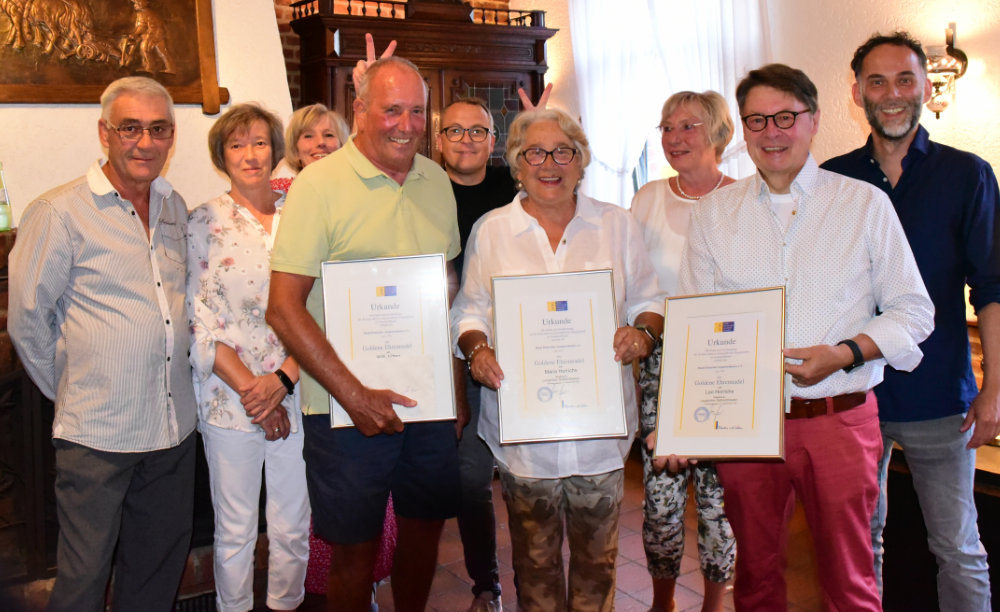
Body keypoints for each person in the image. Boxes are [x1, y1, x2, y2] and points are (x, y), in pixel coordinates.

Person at [676, 63, 935, 611]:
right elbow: (696, 322)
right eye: (757, 120)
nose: (771, 132)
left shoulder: (864, 204)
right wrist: (684, 419)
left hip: (839, 420)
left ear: (813, 120)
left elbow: (915, 311)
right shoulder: (714, 214)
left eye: (785, 117)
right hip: (747, 428)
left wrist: (844, 354)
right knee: (756, 579)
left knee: (850, 582)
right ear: (743, 129)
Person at [266, 56, 462, 612]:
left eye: (417, 111)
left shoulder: (436, 181)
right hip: (342, 407)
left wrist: (453, 391)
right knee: (355, 549)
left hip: (426, 401)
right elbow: (283, 309)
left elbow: (444, 289)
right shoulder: (317, 186)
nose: (406, 125)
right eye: (391, 110)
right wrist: (354, 396)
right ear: (359, 110)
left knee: (424, 529)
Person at [451, 107, 664, 611]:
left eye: (563, 151)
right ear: (516, 164)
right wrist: (477, 351)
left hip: (599, 435)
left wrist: (642, 335)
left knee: (597, 565)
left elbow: (649, 300)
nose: (550, 164)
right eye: (535, 153)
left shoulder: (616, 225)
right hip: (525, 439)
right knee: (534, 566)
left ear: (581, 160)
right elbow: (469, 310)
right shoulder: (492, 230)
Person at [822, 31, 998, 611]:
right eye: (877, 81)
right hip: (852, 395)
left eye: (904, 79)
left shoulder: (967, 175)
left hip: (940, 397)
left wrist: (995, 390)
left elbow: (992, 288)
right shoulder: (831, 180)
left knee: (958, 548)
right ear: (857, 93)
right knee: (859, 547)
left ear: (925, 86)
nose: (892, 93)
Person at [8, 76, 196, 612]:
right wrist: (77, 390)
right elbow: (27, 321)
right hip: (97, 437)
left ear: (172, 135)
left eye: (158, 129)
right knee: (83, 581)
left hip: (172, 429)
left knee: (156, 573)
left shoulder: (174, 206)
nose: (145, 142)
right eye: (130, 128)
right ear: (104, 133)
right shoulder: (58, 212)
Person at [187, 103, 310, 612]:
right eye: (237, 145)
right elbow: (199, 319)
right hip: (230, 399)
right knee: (235, 529)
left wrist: (281, 381)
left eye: (259, 142)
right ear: (222, 156)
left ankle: (286, 604)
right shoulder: (202, 221)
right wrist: (256, 394)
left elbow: (320, 307)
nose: (250, 154)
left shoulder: (301, 216)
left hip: (299, 390)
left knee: (293, 524)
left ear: (275, 150)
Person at [630, 90, 737, 612]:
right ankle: (662, 602)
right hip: (660, 363)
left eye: (688, 126)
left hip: (725, 362)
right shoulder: (647, 198)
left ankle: (715, 604)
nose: (674, 137)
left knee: (721, 501)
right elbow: (630, 283)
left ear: (718, 133)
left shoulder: (747, 199)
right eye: (667, 127)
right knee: (661, 502)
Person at [434, 95, 515, 612]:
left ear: (494, 140)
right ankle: (486, 582)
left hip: (504, 351)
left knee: (495, 477)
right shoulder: (421, 186)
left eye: (478, 131)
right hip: (439, 353)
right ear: (438, 140)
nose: (466, 140)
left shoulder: (517, 186)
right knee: (461, 478)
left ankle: (497, 585)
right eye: (455, 131)